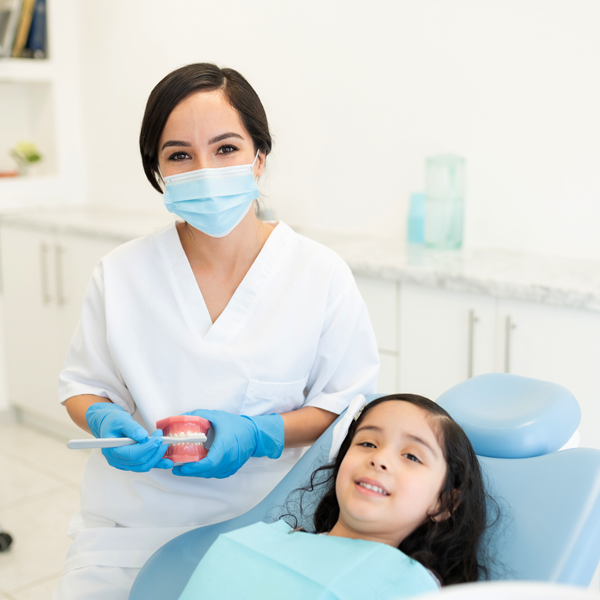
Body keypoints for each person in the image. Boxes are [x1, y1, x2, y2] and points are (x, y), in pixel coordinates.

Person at [52, 63, 379, 600]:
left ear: (259, 157)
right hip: (130, 523)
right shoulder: (121, 272)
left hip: (271, 521)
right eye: (179, 155)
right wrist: (102, 418)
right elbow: (82, 386)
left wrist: (259, 434)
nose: (204, 171)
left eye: (226, 148)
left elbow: (345, 406)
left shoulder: (319, 274)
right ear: (158, 172)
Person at [177, 394, 493, 599]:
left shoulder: (416, 591)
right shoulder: (263, 539)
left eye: (411, 456)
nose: (380, 459)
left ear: (444, 503)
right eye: (367, 443)